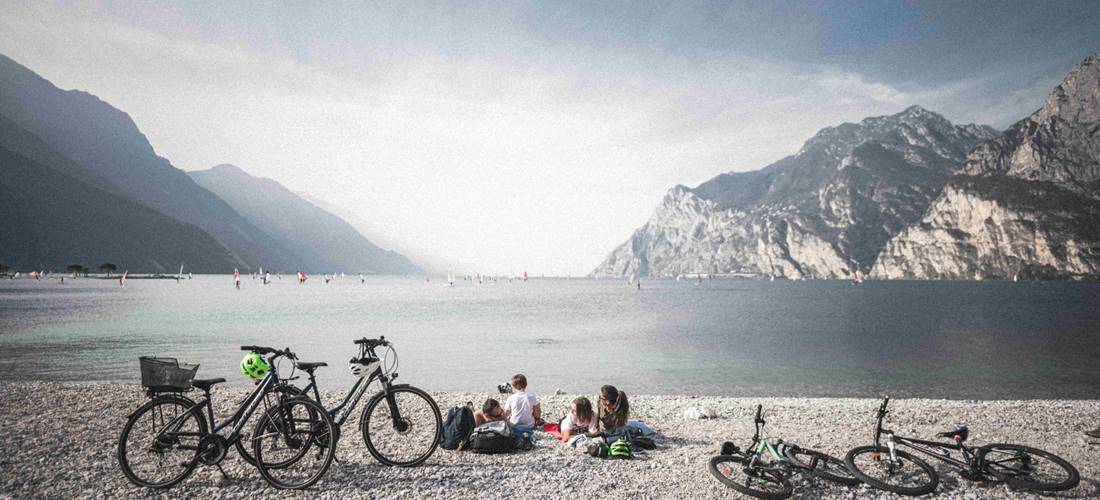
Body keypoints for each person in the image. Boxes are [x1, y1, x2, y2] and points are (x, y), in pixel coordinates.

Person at [503, 373, 541, 442]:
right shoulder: (531, 397)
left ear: (513, 386)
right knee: (535, 407)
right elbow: (537, 411)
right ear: (526, 385)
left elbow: (506, 413)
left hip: (514, 425)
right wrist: (537, 419)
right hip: (529, 425)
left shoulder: (511, 398)